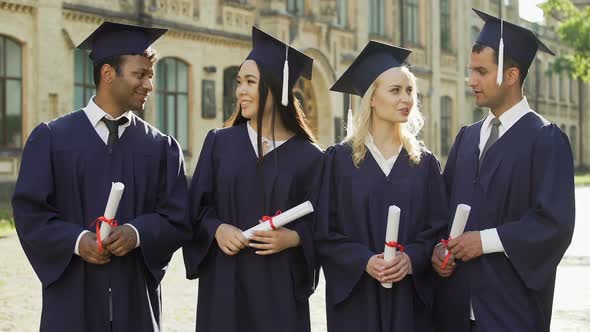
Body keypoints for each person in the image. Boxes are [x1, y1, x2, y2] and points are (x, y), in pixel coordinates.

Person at [12, 22, 190, 331]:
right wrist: (77, 240)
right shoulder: (52, 139)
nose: (149, 85)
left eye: (150, 76)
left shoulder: (160, 147)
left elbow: (178, 218)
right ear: (108, 73)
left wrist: (138, 233)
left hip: (134, 301)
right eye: (140, 74)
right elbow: (31, 215)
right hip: (72, 303)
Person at [431, 9, 576, 332]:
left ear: (511, 76)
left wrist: (485, 241)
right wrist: (438, 248)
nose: (471, 81)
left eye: (481, 72)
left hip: (511, 312)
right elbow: (441, 210)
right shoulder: (466, 138)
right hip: (455, 311)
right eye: (471, 71)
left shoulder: (545, 140)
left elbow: (555, 224)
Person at [182, 26, 323, 332]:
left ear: (275, 87)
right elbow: (194, 210)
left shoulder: (310, 157)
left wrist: (295, 237)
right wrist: (217, 229)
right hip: (224, 283)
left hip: (279, 289)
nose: (240, 91)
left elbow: (326, 223)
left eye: (250, 82)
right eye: (239, 82)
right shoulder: (219, 143)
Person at [315, 41, 448, 332]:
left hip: (410, 302)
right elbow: (324, 233)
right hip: (356, 300)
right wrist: (363, 261)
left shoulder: (424, 164)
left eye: (410, 90)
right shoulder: (338, 161)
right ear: (371, 98)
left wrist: (411, 259)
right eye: (396, 90)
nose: (406, 99)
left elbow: (438, 230)